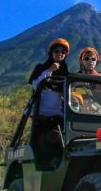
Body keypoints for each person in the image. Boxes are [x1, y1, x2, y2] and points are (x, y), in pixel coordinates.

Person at [27, 38, 70, 167]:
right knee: (41, 139)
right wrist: (49, 71)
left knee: (59, 139)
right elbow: (36, 85)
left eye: (63, 52)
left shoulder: (65, 73)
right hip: (41, 113)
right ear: (51, 52)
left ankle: (56, 164)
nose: (59, 54)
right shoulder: (41, 68)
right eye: (56, 51)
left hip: (58, 114)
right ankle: (40, 165)